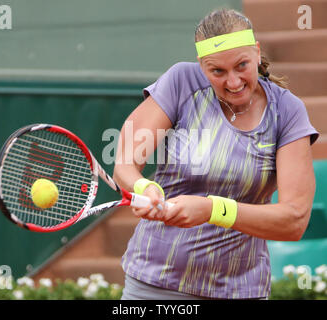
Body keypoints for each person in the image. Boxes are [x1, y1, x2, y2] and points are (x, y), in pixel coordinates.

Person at [113, 8, 319, 300]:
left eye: (242, 66)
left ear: (257, 53)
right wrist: (143, 186)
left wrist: (212, 210)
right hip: (154, 286)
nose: (233, 82)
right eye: (217, 71)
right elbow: (124, 163)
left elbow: (294, 220)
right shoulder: (180, 82)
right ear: (201, 66)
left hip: (241, 289)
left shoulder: (287, 111)